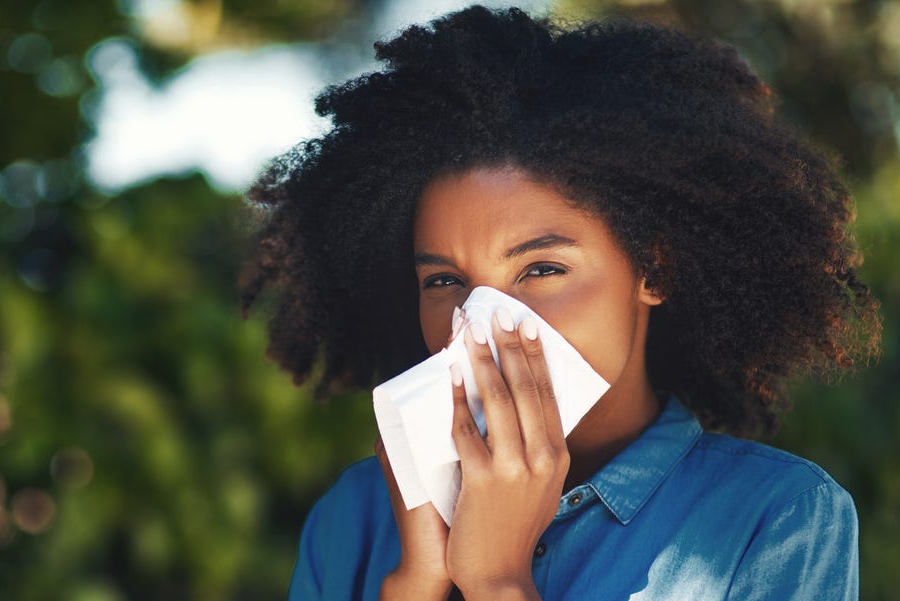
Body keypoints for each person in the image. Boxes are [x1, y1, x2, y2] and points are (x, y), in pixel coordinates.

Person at [238, 5, 880, 600]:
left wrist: (495, 581)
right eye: (444, 282)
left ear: (653, 268)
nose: (480, 327)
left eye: (541, 268)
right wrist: (418, 577)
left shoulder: (779, 516)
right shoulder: (353, 519)